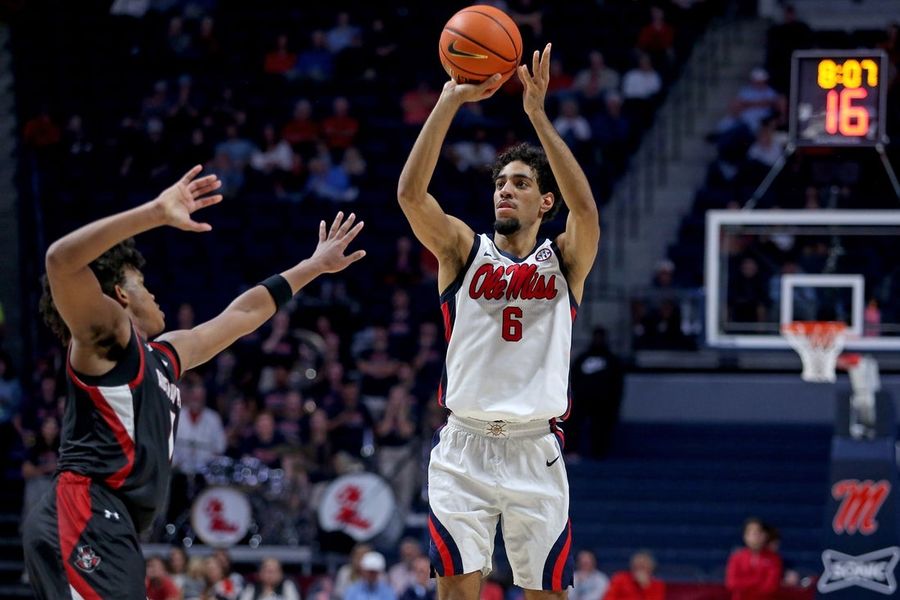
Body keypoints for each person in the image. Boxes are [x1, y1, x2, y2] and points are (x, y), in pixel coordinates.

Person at [22, 165, 366, 599]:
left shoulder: (164, 356)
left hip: (115, 522)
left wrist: (312, 266)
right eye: (142, 283)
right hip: (85, 508)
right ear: (121, 295)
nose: (154, 294)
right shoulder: (106, 337)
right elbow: (60, 261)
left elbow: (242, 314)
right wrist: (154, 212)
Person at [397, 43, 600, 598]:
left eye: (521, 183)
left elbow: (587, 211)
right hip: (464, 446)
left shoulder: (565, 259)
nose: (505, 190)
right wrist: (448, 100)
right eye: (500, 183)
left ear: (546, 202)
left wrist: (538, 115)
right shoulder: (464, 250)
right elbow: (411, 195)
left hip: (536, 447)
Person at [725, 518, 782, 600]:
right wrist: (757, 580)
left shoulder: (774, 559)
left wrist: (745, 583)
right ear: (745, 536)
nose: (755, 536)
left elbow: (770, 586)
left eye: (758, 532)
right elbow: (731, 583)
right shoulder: (736, 558)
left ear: (764, 535)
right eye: (752, 533)